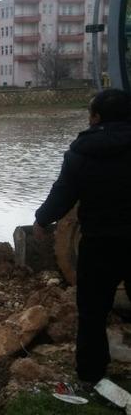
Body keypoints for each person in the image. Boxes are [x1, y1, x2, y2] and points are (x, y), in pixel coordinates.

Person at [34, 88, 131, 384]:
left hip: (99, 243)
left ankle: (91, 375)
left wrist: (42, 219)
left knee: (92, 312)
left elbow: (63, 193)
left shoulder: (81, 152)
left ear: (97, 117)